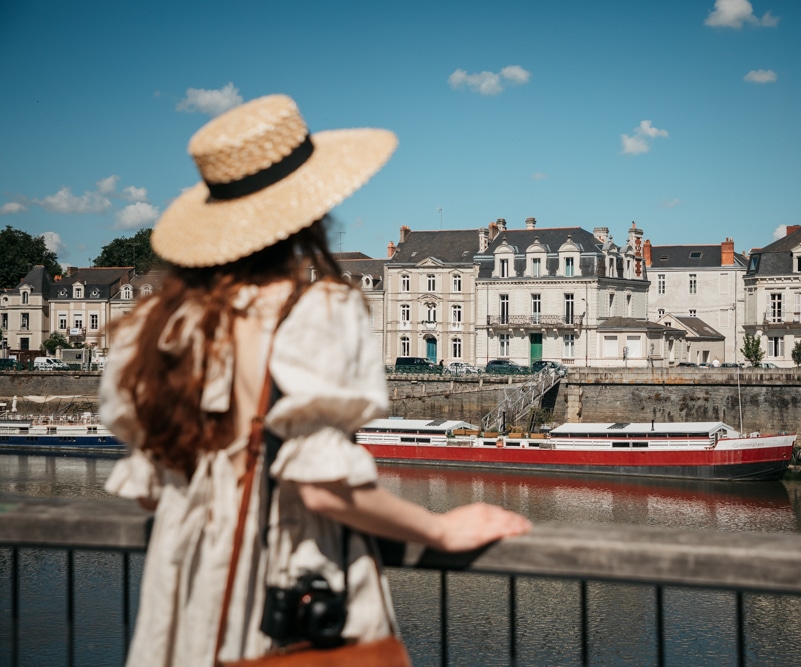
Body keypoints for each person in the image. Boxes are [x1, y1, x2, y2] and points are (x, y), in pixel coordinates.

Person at [101, 94, 531, 667]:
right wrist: (440, 531)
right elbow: (325, 488)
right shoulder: (315, 311)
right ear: (309, 213)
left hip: (180, 603)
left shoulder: (155, 326)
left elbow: (157, 487)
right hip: (288, 603)